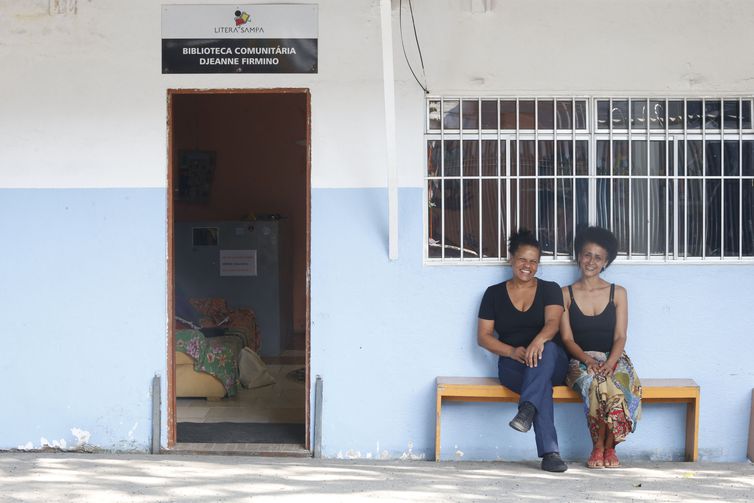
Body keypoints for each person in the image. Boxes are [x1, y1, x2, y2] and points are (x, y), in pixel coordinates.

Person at [477, 229, 569, 472]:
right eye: (522, 259)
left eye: (533, 261)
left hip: (552, 361)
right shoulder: (493, 294)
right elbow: (483, 337)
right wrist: (510, 351)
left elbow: (553, 323)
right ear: (511, 259)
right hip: (513, 364)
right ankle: (550, 454)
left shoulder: (551, 289)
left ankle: (527, 409)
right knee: (541, 385)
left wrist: (537, 342)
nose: (527, 266)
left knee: (547, 351)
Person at [559, 226, 642, 469]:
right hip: (579, 359)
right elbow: (567, 339)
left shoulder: (618, 293)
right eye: (587, 255)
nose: (591, 261)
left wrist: (610, 363)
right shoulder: (565, 294)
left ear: (606, 262)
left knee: (618, 386)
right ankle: (598, 446)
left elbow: (620, 336)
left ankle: (610, 447)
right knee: (595, 384)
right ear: (578, 257)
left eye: (598, 257)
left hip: (615, 357)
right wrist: (589, 361)